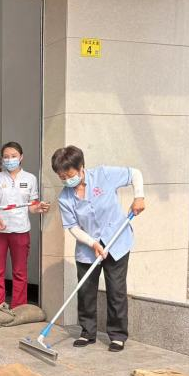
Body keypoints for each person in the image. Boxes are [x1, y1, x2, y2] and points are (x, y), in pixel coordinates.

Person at [53, 145, 145, 352]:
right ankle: (87, 332)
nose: (67, 180)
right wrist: (93, 244)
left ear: (81, 167)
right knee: (86, 291)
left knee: (116, 289)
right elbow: (73, 227)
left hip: (117, 240)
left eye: (70, 175)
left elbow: (135, 174)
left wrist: (139, 197)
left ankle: (118, 335)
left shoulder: (103, 175)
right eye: (61, 177)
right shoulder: (64, 197)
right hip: (87, 247)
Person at [0, 142, 50, 310]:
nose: (10, 159)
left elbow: (32, 206)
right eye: (6, 157)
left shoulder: (30, 178)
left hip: (21, 230)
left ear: (21, 157)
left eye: (13, 156)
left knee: (20, 271)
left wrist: (39, 208)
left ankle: (19, 306)